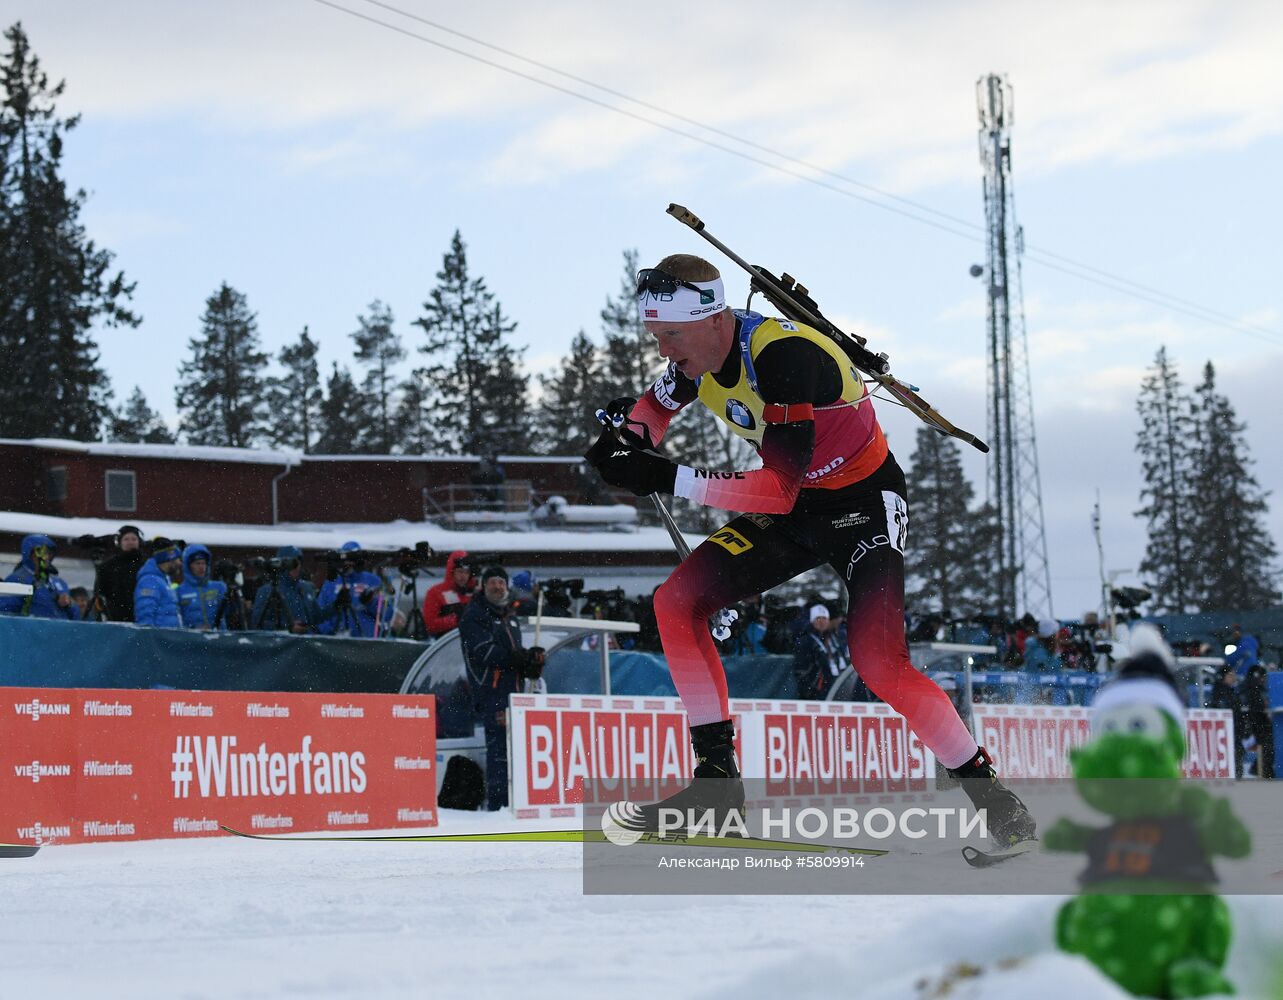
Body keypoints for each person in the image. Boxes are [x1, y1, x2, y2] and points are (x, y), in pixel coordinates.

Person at [583, 254, 1036, 844]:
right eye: (655, 337)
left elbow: (774, 489)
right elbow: (654, 409)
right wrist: (627, 443)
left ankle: (991, 797)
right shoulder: (696, 358)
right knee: (676, 603)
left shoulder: (783, 357)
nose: (665, 351)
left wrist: (667, 477)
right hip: (799, 508)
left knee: (878, 663)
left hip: (862, 503)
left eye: (671, 335)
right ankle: (716, 787)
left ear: (713, 317)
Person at [458, 566, 546, 810]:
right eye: (492, 582)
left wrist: (531, 663)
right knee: (499, 752)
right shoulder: (475, 614)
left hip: (515, 695)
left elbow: (513, 657)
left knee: (518, 750)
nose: (498, 587)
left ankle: (519, 801)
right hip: (492, 694)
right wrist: (518, 658)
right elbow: (483, 652)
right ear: (483, 586)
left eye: (501, 583)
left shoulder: (509, 616)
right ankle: (499, 806)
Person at [317, 541, 393, 638]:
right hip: (337, 642)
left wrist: (371, 603)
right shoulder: (331, 583)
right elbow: (319, 614)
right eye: (346, 559)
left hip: (366, 643)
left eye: (352, 559)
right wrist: (330, 633)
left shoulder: (372, 581)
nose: (349, 563)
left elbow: (387, 614)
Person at [0, 534, 81, 620]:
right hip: (32, 632)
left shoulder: (58, 582)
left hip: (60, 632)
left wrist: (69, 604)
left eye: (49, 553)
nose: (46, 557)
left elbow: (76, 617)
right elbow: (6, 614)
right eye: (42, 553)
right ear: (29, 553)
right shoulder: (17, 579)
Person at [251, 546, 321, 634]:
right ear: (282, 564)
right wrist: (288, 627)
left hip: (308, 644)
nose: (297, 567)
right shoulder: (267, 590)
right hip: (283, 645)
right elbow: (256, 624)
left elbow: (318, 617)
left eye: (299, 563)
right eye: (293, 564)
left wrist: (335, 605)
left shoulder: (307, 588)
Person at [92, 525, 147, 622]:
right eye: (126, 539)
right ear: (119, 543)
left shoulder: (147, 565)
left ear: (139, 542)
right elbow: (99, 593)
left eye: (134, 539)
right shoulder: (107, 566)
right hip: (115, 617)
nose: (130, 542)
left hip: (143, 614)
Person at [792, 604, 848, 699]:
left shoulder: (834, 638)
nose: (821, 622)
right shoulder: (806, 641)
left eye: (824, 618)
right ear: (812, 621)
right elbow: (801, 668)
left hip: (835, 687)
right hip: (816, 691)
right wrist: (809, 688)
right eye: (818, 618)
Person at [422, 550, 476, 638]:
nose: (463, 576)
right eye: (460, 571)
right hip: (447, 644)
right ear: (452, 571)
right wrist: (455, 620)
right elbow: (430, 625)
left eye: (466, 572)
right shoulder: (436, 592)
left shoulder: (475, 593)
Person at [133, 539, 184, 628]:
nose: (180, 563)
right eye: (177, 559)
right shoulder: (149, 581)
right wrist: (151, 639)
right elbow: (145, 614)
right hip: (159, 639)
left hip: (166, 638)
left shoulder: (163, 580)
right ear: (169, 558)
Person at [176, 544, 228, 630]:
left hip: (218, 638)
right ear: (189, 566)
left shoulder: (219, 587)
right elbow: (177, 620)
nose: (201, 567)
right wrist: (194, 629)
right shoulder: (179, 591)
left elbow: (231, 613)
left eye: (204, 563)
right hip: (191, 639)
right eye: (197, 563)